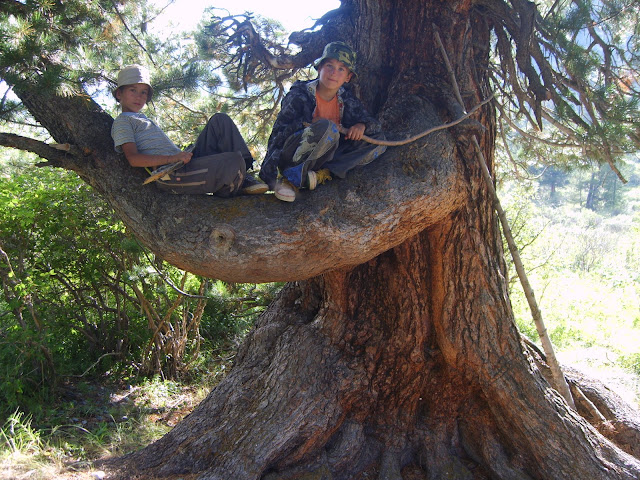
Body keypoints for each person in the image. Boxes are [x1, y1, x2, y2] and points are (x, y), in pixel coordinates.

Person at [111, 64, 267, 196]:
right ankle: (233, 184)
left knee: (220, 121)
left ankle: (244, 176)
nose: (139, 96)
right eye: (133, 90)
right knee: (233, 161)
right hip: (170, 174)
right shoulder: (122, 121)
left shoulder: (142, 118)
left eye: (143, 92)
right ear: (119, 93)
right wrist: (172, 159)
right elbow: (133, 159)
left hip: (182, 163)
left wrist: (178, 157)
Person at [259, 41, 387, 202]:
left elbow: (373, 124)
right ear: (319, 68)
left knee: (379, 141)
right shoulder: (299, 95)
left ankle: (324, 174)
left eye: (341, 69)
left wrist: (361, 126)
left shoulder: (346, 99)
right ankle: (291, 179)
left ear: (348, 77)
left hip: (325, 158)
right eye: (329, 66)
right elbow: (278, 134)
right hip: (295, 153)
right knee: (327, 128)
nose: (334, 73)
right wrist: (309, 123)